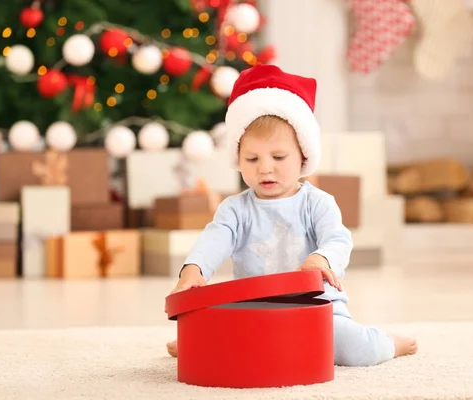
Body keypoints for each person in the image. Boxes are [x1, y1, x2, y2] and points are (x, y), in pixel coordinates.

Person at [166, 64, 417, 366]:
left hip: (317, 309)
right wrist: (193, 270)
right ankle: (203, 339)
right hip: (256, 310)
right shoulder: (235, 209)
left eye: (279, 157)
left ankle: (387, 343)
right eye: (252, 158)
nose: (265, 167)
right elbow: (214, 239)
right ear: (238, 159)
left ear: (303, 156)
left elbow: (338, 239)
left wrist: (321, 259)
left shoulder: (318, 203)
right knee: (230, 341)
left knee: (352, 348)